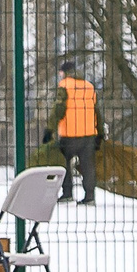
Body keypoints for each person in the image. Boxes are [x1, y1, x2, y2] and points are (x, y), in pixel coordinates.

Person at [41, 60, 100, 205]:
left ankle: (67, 193)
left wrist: (50, 129)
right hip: (89, 133)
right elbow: (96, 110)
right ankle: (90, 196)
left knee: (64, 162)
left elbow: (58, 109)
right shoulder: (89, 86)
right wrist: (100, 132)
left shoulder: (64, 86)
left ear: (65, 73)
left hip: (70, 134)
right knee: (87, 166)